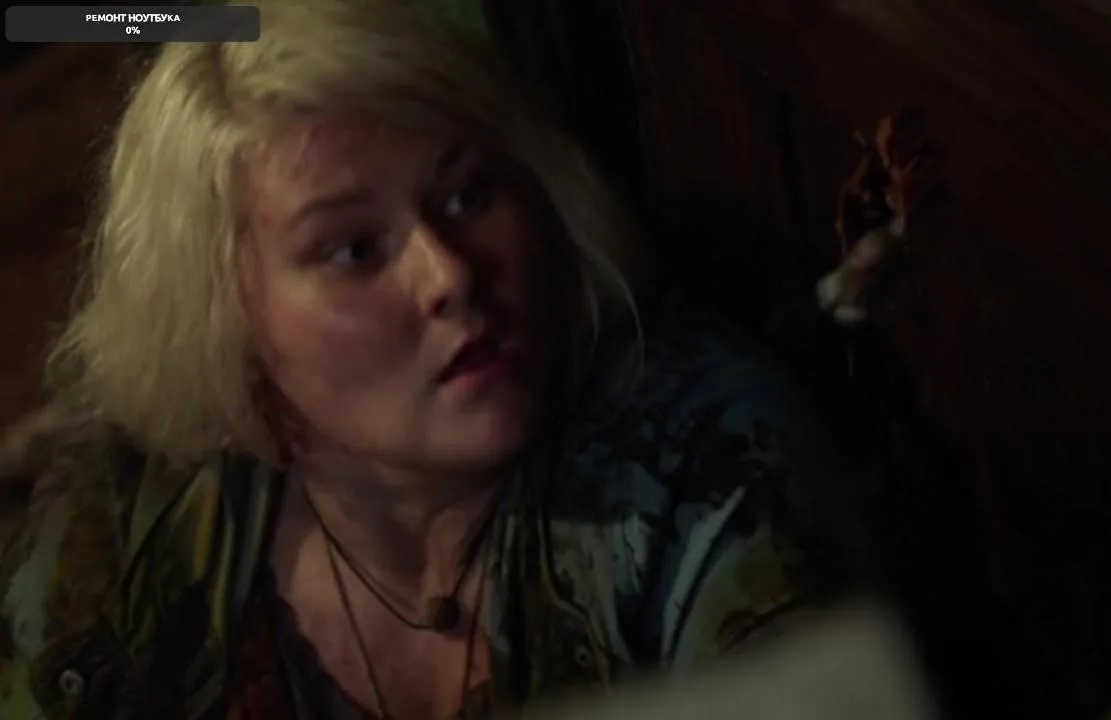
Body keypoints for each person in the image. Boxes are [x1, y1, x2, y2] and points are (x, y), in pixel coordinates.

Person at [0, 0, 872, 718]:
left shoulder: (703, 466)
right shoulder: (114, 529)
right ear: (227, 321)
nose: (449, 275)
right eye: (354, 249)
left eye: (468, 194)